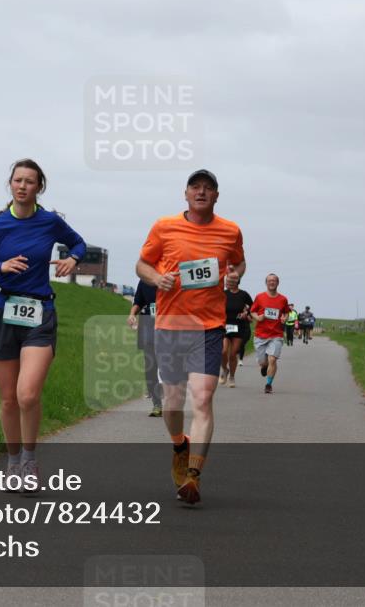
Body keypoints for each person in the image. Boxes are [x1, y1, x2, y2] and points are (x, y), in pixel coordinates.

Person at [0, 158, 86, 492]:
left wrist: (73, 258)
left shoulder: (50, 222)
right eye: (17, 180)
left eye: (30, 181)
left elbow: (79, 243)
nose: (22, 186)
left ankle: (30, 463)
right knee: (7, 400)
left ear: (39, 187)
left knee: (27, 394)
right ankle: (13, 463)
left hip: (40, 313)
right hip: (3, 310)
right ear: (10, 184)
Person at [136, 169, 246, 505]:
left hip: (209, 327)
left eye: (208, 188)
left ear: (216, 196)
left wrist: (233, 277)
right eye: (195, 187)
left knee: (201, 398)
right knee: (172, 401)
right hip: (170, 326)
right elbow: (142, 265)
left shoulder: (230, 231)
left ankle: (193, 477)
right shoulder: (164, 226)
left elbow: (239, 264)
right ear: (185, 194)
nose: (201, 192)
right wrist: (157, 278)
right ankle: (179, 444)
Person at [250, 274, 290, 394]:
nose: (272, 282)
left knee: (272, 360)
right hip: (260, 335)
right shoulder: (260, 297)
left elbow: (286, 313)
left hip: (276, 335)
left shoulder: (283, 299)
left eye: (274, 280)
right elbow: (252, 312)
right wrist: (258, 317)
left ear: (278, 283)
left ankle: (268, 384)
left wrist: (285, 319)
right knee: (263, 362)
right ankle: (264, 366)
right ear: (266, 283)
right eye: (269, 280)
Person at [128, 279, 163, 417]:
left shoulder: (172, 276)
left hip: (169, 323)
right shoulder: (144, 281)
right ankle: (157, 404)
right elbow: (138, 301)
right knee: (150, 365)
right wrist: (132, 315)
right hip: (148, 323)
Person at [222, 276, 253, 387]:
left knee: (233, 353)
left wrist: (246, 313)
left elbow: (253, 306)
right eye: (226, 281)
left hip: (239, 326)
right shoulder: (223, 294)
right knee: (223, 351)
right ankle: (225, 370)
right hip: (225, 325)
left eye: (229, 281)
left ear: (236, 282)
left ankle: (232, 377)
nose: (227, 282)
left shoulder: (243, 294)